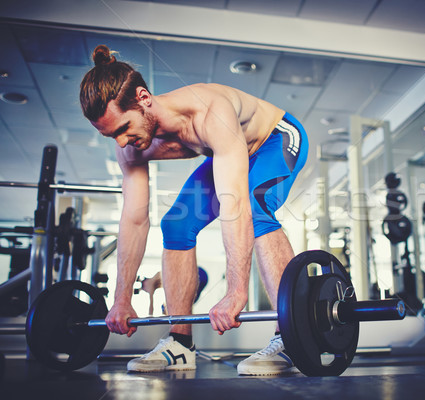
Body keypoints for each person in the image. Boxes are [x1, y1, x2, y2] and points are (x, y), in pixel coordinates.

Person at [79, 45, 308, 375]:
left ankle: (291, 334)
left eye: (122, 128)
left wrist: (236, 291)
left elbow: (235, 204)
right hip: (228, 151)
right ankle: (180, 343)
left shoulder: (207, 112)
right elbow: (134, 218)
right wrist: (121, 298)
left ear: (143, 98)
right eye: (110, 135)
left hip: (276, 137)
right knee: (175, 226)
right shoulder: (130, 149)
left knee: (255, 205)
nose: (121, 142)